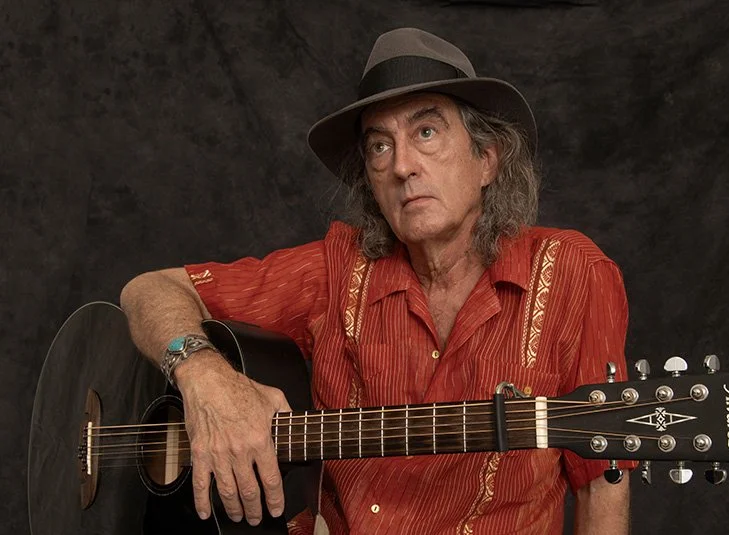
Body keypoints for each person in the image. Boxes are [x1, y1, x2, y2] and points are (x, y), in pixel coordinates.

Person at [121, 27, 634, 535]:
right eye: (380, 147)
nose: (403, 166)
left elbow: (602, 481)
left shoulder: (575, 272)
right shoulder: (335, 269)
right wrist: (203, 375)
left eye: (426, 133)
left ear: (487, 157)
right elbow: (149, 290)